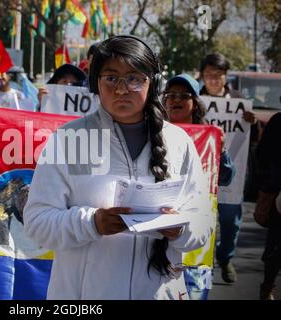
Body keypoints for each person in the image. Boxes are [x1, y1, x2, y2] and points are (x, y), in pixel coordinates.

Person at [23, 36, 213, 300]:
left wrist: (180, 229)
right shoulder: (68, 140)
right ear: (95, 83)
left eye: (134, 78)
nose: (122, 89)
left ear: (153, 83)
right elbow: (36, 223)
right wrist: (92, 223)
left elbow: (204, 222)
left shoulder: (179, 142)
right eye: (111, 78)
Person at [164, 73, 236, 299]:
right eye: (171, 95)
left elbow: (225, 179)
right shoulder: (151, 131)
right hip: (159, 229)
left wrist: (221, 151)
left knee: (194, 292)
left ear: (194, 103)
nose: (176, 100)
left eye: (183, 96)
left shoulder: (210, 138)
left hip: (196, 236)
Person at [199, 53, 258, 284]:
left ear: (226, 76)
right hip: (202, 174)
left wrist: (251, 123)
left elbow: (250, 141)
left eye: (218, 75)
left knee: (230, 224)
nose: (213, 80)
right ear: (202, 76)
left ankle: (225, 258)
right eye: (208, 75)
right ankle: (206, 263)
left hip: (230, 174)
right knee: (204, 223)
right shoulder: (195, 99)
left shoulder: (239, 101)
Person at [254, 112, 281, 300]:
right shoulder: (278, 122)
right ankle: (268, 286)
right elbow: (262, 154)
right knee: (276, 247)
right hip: (278, 194)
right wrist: (269, 184)